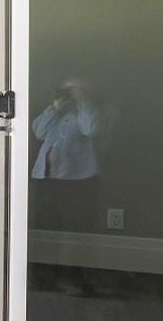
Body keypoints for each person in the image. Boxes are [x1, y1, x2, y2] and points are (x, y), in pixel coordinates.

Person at [31, 77, 114, 233]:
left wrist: (83, 101)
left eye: (75, 88)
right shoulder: (59, 110)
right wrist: (55, 108)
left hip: (78, 179)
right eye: (66, 89)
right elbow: (39, 132)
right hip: (47, 176)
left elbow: (90, 129)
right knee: (46, 223)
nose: (70, 92)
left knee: (77, 225)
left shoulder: (97, 110)